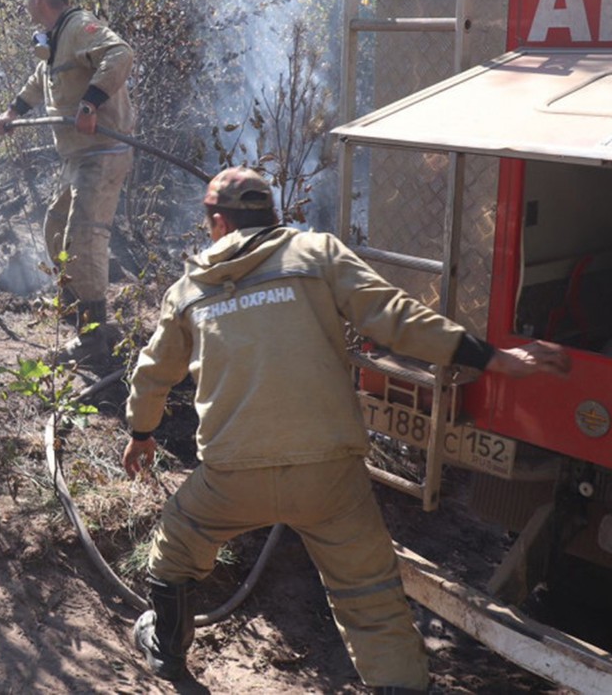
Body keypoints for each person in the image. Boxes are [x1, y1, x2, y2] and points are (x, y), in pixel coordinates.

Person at [121, 167, 571, 692]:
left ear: (218, 222)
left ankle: (167, 653)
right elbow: (397, 317)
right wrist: (493, 358)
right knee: (369, 597)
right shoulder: (318, 255)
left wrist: (141, 432)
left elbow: (153, 374)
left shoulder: (189, 289)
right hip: (328, 476)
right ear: (273, 215)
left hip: (230, 476)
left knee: (175, 550)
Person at [0, 0, 135, 366]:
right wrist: (12, 112)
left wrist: (90, 104)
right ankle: (84, 321)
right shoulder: (57, 40)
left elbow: (120, 53)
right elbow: (42, 81)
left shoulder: (78, 26)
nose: (25, 3)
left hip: (103, 153)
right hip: (79, 157)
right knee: (55, 229)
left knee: (82, 239)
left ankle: (93, 342)